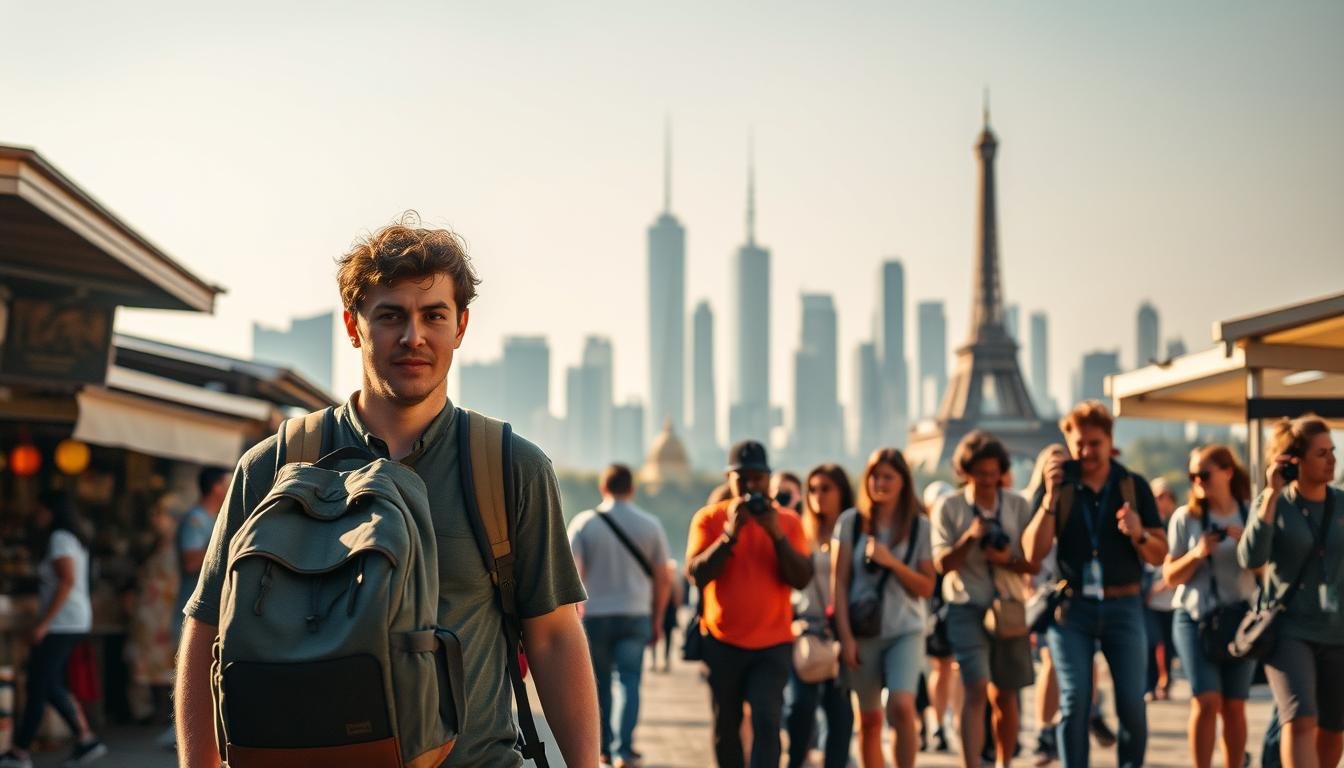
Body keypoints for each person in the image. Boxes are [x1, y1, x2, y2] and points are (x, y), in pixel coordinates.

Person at [174, 215, 598, 767]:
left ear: (461, 327)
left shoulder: (510, 467)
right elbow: (208, 627)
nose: (413, 337)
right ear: (353, 326)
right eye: (391, 315)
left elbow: (554, 636)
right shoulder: (275, 465)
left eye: (433, 316)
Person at [1022, 401, 1168, 768]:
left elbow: (1160, 553)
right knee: (1075, 700)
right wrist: (1050, 499)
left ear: (1110, 441)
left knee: (1132, 703)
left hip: (1124, 604)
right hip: (1072, 607)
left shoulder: (1132, 485)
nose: (1087, 452)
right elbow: (1032, 553)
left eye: (1095, 443)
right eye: (1080, 444)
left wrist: (1138, 534)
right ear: (1068, 444)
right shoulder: (1058, 485)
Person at [686, 440, 813, 768]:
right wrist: (730, 534)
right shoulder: (709, 518)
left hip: (772, 643)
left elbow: (801, 578)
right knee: (726, 726)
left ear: (769, 479)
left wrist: (776, 535)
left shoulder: (788, 522)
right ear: (729, 479)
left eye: (758, 478)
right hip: (722, 642)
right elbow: (697, 575)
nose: (751, 486)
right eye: (742, 479)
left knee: (767, 721)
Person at [1238, 414, 1342, 768]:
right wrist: (1270, 494)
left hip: (1337, 631)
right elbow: (1251, 557)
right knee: (1300, 720)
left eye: (1333, 451)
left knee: (1334, 729)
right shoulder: (1275, 503)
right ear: (1295, 460)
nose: (1331, 460)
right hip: (1288, 630)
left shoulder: (1342, 503)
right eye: (1321, 453)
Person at [932, 431, 1039, 768]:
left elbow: (1034, 563)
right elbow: (941, 565)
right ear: (965, 472)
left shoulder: (1018, 505)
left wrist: (1007, 558)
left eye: (994, 473)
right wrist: (969, 539)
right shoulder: (949, 507)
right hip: (965, 605)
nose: (988, 481)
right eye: (980, 474)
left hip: (1009, 606)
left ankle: (1004, 762)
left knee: (1006, 693)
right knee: (976, 687)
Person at [833, 448, 936, 768]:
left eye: (888, 477)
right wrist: (845, 638)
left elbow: (926, 587)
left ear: (903, 481)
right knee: (869, 720)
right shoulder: (850, 523)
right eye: (874, 476)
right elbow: (839, 584)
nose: (880, 483)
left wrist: (892, 562)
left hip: (905, 629)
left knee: (902, 706)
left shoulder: (920, 526)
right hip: (862, 631)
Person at [568, 463, 672, 767]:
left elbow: (570, 574)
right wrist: (658, 617)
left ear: (603, 487)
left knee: (598, 684)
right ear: (632, 489)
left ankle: (603, 749)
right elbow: (663, 577)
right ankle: (625, 750)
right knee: (629, 680)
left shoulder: (585, 523)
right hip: (635, 614)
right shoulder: (651, 525)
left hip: (595, 615)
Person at [1163, 444, 1257, 768]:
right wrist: (1197, 553)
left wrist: (1249, 547)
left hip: (1241, 620)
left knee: (1234, 705)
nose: (1197, 482)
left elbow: (1267, 572)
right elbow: (1170, 576)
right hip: (1195, 618)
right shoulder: (1185, 517)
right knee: (1206, 700)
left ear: (1227, 472)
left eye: (1204, 474)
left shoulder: (1250, 512)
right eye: (1192, 476)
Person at [0, 492, 107, 768]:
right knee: (48, 682)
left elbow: (67, 580)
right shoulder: (71, 537)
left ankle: (20, 751)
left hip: (63, 622)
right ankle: (86, 739)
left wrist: (44, 623)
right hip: (70, 620)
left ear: (51, 511)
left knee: (38, 682)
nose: (36, 515)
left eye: (39, 509)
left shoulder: (60, 538)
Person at [782, 464, 855, 768]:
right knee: (800, 708)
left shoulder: (854, 532)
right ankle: (796, 760)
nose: (817, 496)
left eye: (826, 489)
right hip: (805, 630)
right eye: (812, 489)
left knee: (839, 713)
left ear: (842, 492)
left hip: (841, 631)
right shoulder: (800, 531)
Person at [125, 495, 181, 725]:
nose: (155, 520)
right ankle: (151, 711)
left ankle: (165, 711)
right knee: (146, 661)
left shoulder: (179, 544)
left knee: (165, 662)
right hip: (149, 612)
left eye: (161, 515)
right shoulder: (154, 545)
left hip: (165, 611)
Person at [920, 480, 958, 754]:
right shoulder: (924, 533)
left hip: (954, 607)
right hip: (931, 611)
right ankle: (937, 722)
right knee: (940, 669)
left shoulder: (956, 531)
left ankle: (949, 721)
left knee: (953, 669)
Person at [1144, 478, 1178, 702]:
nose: (1159, 501)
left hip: (1170, 594)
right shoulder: (1145, 522)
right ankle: (1150, 684)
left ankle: (1166, 683)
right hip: (1149, 595)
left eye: (1164, 497)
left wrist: (1163, 584)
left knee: (1167, 644)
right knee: (1150, 642)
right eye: (1155, 497)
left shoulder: (1176, 523)